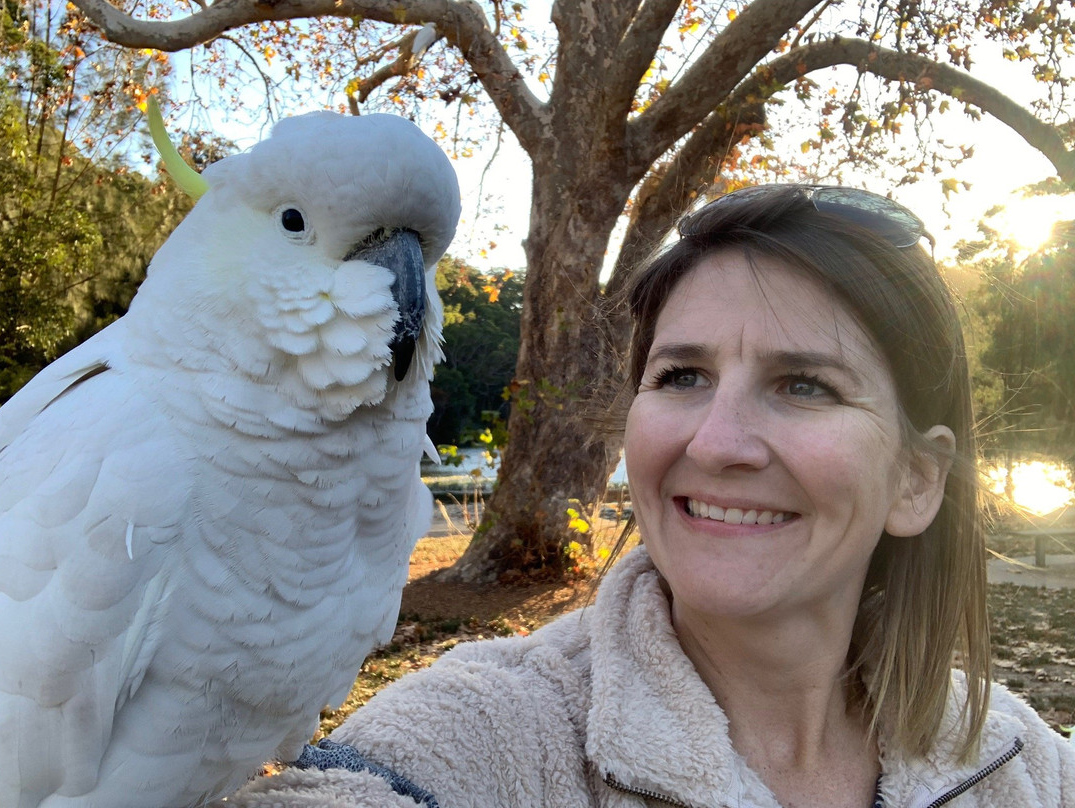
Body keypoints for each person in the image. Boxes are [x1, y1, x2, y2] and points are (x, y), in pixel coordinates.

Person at [229, 185, 1075, 808]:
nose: (715, 443)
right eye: (682, 376)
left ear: (917, 480)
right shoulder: (483, 736)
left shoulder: (1016, 762)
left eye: (806, 386)